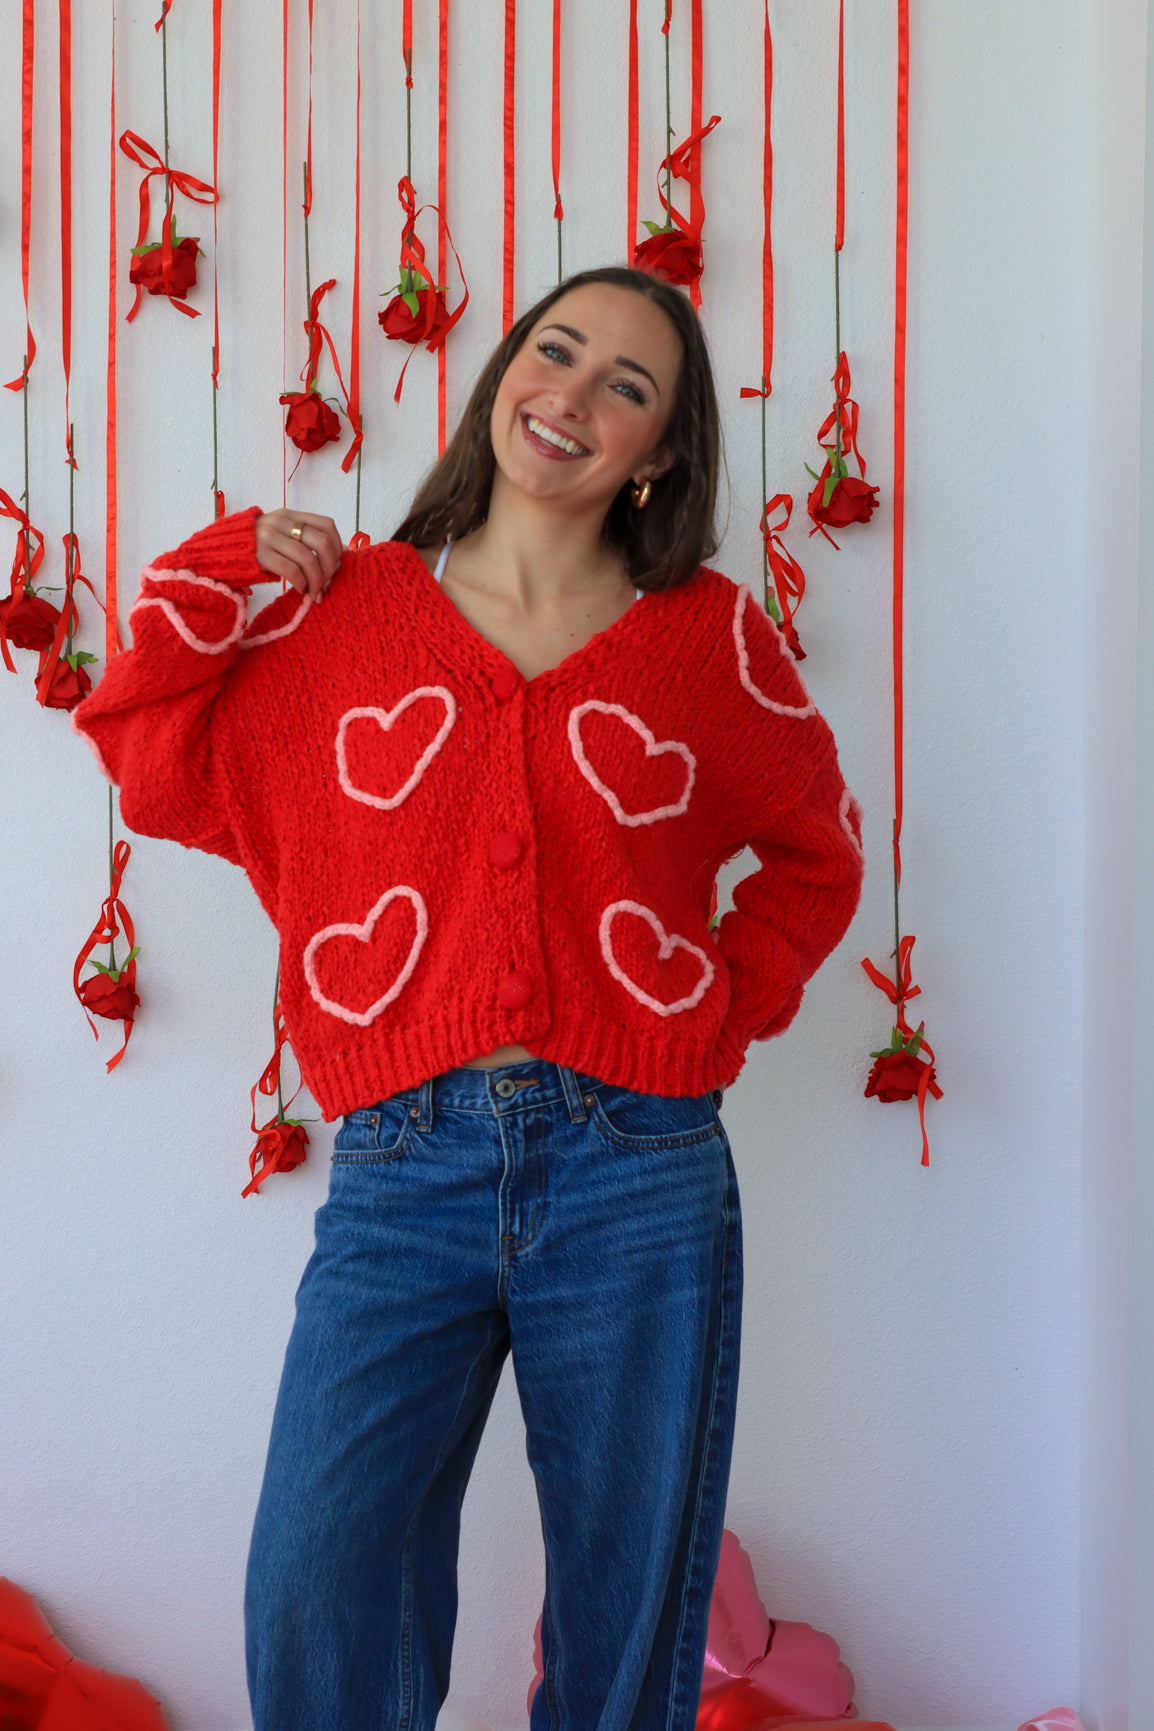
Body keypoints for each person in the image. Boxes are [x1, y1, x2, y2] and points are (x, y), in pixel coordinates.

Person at [72, 266, 863, 1731]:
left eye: (626, 385)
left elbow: (816, 853)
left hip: (639, 1166)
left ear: (661, 455)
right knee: (319, 1581)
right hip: (401, 1164)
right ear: (503, 372)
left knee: (626, 1611)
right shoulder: (345, 614)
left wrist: (709, 1017)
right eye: (553, 353)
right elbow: (144, 742)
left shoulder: (705, 639)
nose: (570, 395)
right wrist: (233, 557)